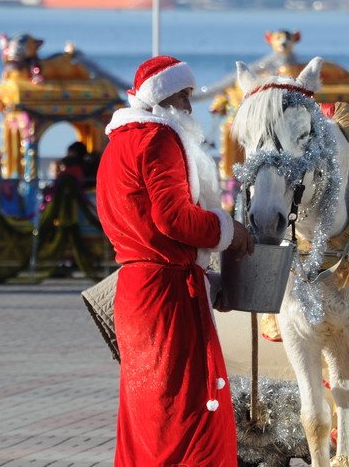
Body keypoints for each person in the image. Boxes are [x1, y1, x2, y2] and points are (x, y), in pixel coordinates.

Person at [96, 55, 253, 466]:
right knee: (190, 409)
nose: (190, 106)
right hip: (167, 296)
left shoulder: (117, 144)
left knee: (150, 412)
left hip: (138, 289)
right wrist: (229, 230)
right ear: (164, 99)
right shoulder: (159, 139)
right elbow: (174, 219)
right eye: (184, 96)